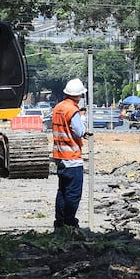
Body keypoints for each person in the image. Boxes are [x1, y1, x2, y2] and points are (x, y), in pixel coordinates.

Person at [51, 78, 91, 234]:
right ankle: (69, 223)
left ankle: (60, 223)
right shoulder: (72, 110)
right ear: (78, 95)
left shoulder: (58, 107)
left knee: (62, 191)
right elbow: (79, 131)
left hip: (60, 157)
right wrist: (83, 119)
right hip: (72, 159)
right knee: (73, 194)